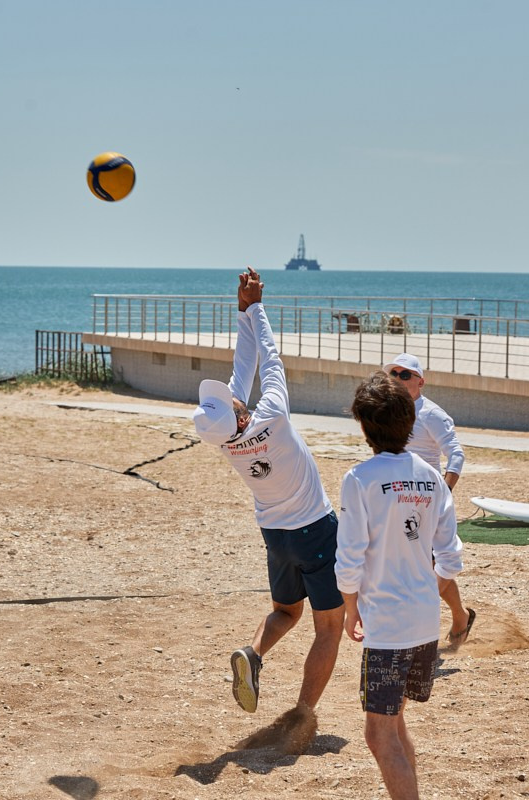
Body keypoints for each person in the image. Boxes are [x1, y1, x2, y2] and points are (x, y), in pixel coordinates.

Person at [192, 267, 344, 720]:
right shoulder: (273, 414)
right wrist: (258, 306)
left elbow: (243, 368)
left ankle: (252, 653)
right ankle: (301, 714)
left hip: (275, 535)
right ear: (239, 416)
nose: (233, 395)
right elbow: (269, 359)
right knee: (329, 627)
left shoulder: (228, 440)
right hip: (315, 530)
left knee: (286, 611)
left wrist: (240, 312)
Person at [336, 371, 463, 800]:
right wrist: (426, 592)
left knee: (378, 734)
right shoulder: (430, 476)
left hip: (387, 624)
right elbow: (450, 555)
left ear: (363, 425)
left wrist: (350, 607)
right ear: (410, 421)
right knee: (395, 722)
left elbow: (350, 555)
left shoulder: (360, 478)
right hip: (424, 621)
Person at [384, 353, 475, 648]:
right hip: (398, 498)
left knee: (433, 562)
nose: (398, 378)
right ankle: (460, 615)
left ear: (420, 382)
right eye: (394, 373)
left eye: (405, 374)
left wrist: (444, 494)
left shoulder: (432, 414)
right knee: (423, 562)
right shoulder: (387, 411)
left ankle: (418, 621)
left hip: (429, 499)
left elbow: (456, 454)